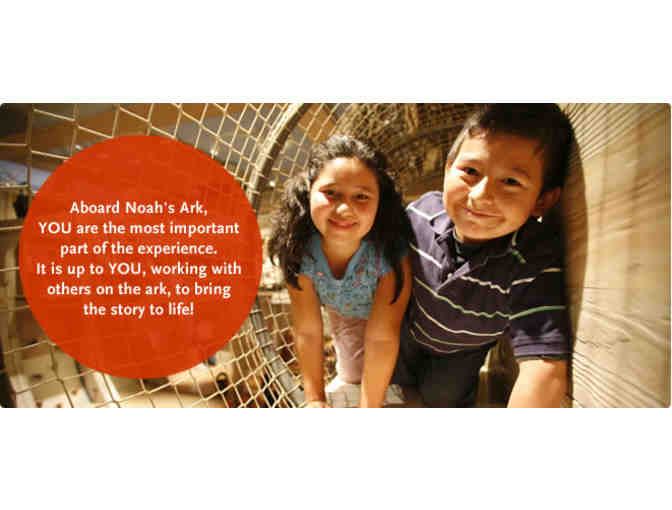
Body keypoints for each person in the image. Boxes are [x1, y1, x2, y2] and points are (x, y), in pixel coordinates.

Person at [392, 103, 574, 407]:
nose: (479, 196)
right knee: (395, 386)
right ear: (448, 169)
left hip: (462, 352)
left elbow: (543, 367)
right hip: (405, 330)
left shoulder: (531, 258)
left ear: (542, 201)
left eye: (511, 181)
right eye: (471, 172)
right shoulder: (418, 215)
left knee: (442, 401)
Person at [268, 135, 412, 408]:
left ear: (380, 202)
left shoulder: (388, 252)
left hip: (403, 324)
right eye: (331, 193)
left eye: (361, 196)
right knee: (352, 376)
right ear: (308, 191)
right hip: (346, 320)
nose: (344, 208)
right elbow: (308, 330)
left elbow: (382, 338)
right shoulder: (299, 250)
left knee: (414, 389)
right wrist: (315, 400)